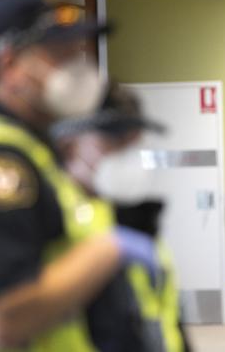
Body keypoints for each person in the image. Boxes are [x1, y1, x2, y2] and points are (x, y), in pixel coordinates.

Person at [0, 0, 154, 351]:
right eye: (60, 54)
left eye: (78, 52)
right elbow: (7, 318)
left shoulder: (31, 149)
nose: (78, 65)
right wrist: (109, 249)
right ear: (11, 63)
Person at [52, 85, 190, 352]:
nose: (127, 153)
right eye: (113, 140)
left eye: (134, 140)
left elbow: (167, 319)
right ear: (69, 146)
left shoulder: (132, 220)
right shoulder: (52, 218)